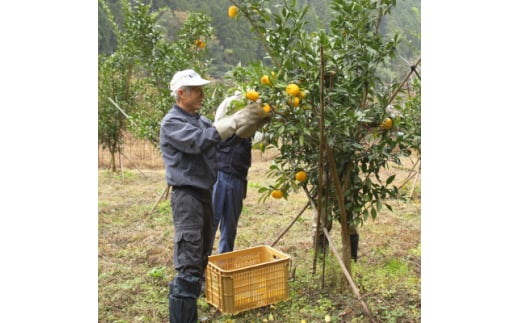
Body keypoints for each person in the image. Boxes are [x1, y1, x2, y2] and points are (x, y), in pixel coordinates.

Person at [159, 69, 269, 323]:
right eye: (197, 90)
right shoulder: (173, 122)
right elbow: (198, 141)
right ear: (181, 93)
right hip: (187, 198)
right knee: (188, 267)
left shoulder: (201, 120)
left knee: (199, 261)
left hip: (204, 196)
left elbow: (220, 143)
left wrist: (247, 125)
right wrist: (233, 121)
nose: (202, 94)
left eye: (202, 89)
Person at [210, 92, 263, 254]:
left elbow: (259, 138)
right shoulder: (230, 105)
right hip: (220, 174)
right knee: (211, 222)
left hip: (238, 178)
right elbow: (218, 128)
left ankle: (224, 263)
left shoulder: (253, 117)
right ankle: (201, 265)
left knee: (229, 227)